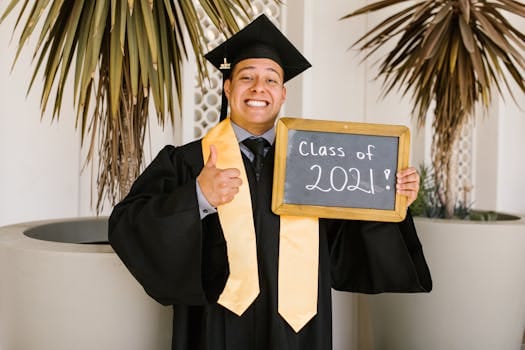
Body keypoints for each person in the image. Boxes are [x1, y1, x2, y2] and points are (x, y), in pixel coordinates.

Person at [108, 14, 432, 350]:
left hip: (296, 330)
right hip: (214, 327)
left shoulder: (318, 163)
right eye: (246, 77)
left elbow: (343, 243)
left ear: (282, 94)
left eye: (271, 80)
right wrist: (197, 197)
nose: (258, 88)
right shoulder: (188, 162)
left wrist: (387, 200)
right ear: (228, 87)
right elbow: (129, 224)